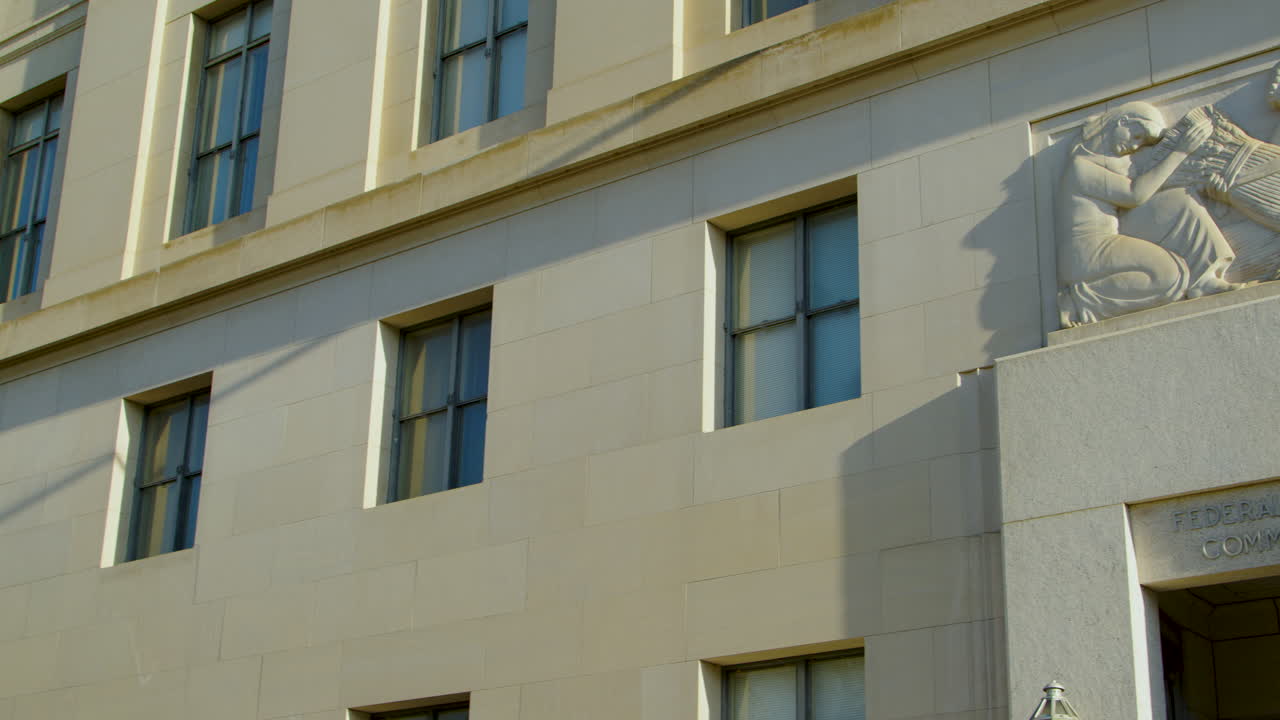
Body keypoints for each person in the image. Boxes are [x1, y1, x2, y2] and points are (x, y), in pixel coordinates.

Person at [1057, 101, 1239, 327]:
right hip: (1087, 251)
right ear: (1122, 122)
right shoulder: (1080, 166)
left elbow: (1153, 187)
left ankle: (1205, 277)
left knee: (1180, 199)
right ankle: (1079, 301)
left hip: (1113, 235)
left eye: (1142, 142)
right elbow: (1135, 195)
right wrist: (1181, 151)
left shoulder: (1115, 162)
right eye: (1137, 136)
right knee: (1170, 277)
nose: (1135, 146)